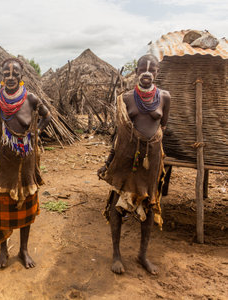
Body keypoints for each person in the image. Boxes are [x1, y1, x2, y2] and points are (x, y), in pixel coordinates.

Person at [98, 54, 170, 275]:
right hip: (127, 158)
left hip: (151, 160)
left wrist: (150, 148)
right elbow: (119, 135)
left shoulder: (165, 97)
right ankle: (116, 254)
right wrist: (109, 161)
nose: (147, 72)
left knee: (148, 205)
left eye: (152, 69)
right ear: (136, 71)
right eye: (143, 69)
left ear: (157, 72)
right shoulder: (126, 98)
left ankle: (142, 255)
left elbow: (162, 126)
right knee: (118, 205)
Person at [0, 57, 51, 269]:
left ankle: (24, 250)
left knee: (26, 209)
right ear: (1, 76)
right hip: (3, 165)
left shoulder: (31, 99)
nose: (10, 77)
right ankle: (3, 250)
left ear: (21, 75)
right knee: (2, 210)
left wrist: (35, 133)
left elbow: (48, 116)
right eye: (6, 74)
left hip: (26, 165)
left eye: (15, 73)